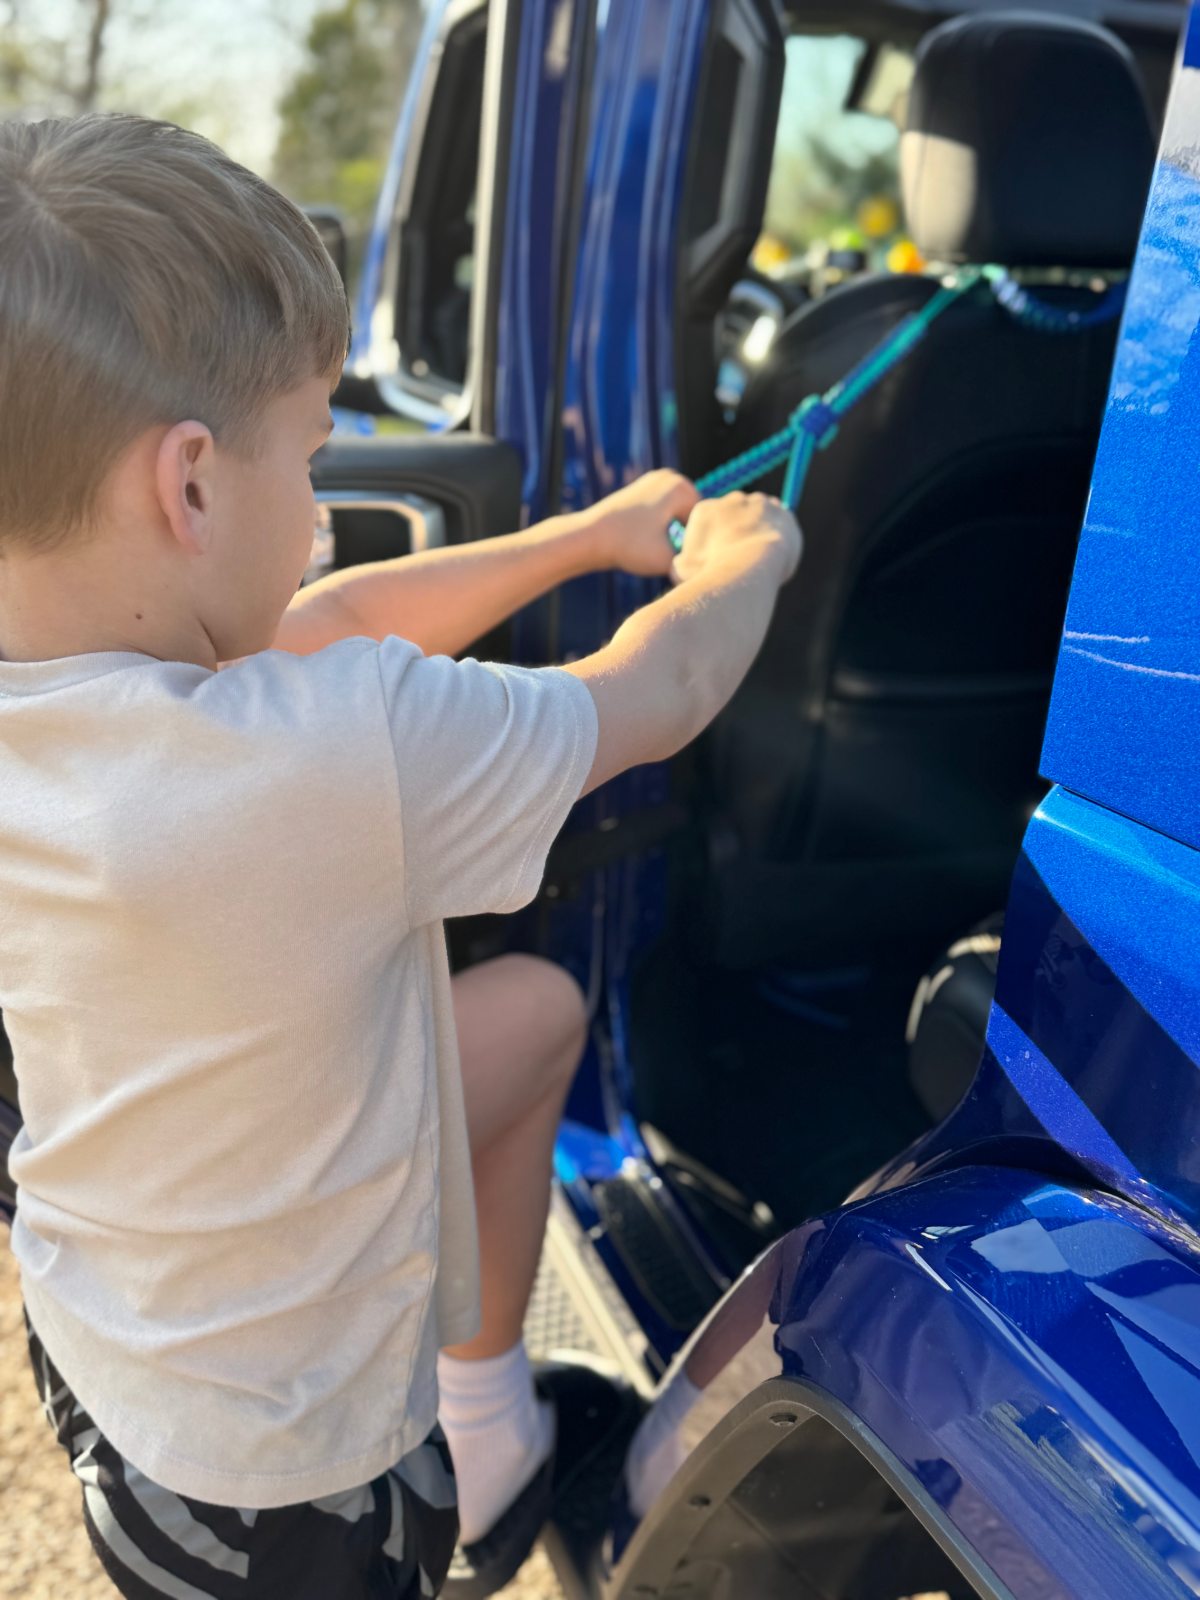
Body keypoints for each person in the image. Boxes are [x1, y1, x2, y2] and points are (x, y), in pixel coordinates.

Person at [0, 113, 801, 1600]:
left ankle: (489, 1427)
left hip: (114, 1361)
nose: (317, 516)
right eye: (311, 454)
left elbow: (335, 621)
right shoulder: (317, 759)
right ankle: (477, 1443)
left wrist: (580, 538)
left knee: (536, 1017)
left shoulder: (83, 698)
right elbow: (665, 692)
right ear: (186, 487)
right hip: (297, 1488)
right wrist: (753, 562)